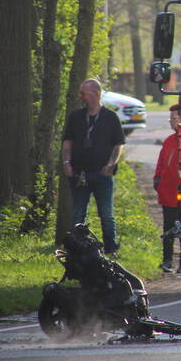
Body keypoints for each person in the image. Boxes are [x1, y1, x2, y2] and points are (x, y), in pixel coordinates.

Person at [61, 78, 125, 254]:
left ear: (96, 94)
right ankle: (76, 249)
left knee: (106, 214)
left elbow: (118, 144)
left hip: (102, 174)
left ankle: (111, 249)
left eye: (84, 93)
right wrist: (66, 162)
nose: (81, 96)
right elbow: (67, 142)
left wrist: (111, 164)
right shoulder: (75, 117)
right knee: (78, 214)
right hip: (79, 174)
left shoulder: (110, 117)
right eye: (80, 93)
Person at [154, 105, 181, 273]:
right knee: (168, 227)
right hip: (167, 191)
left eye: (173, 118)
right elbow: (161, 163)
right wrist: (157, 181)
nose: (171, 122)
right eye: (170, 119)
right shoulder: (169, 141)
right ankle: (167, 260)